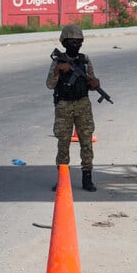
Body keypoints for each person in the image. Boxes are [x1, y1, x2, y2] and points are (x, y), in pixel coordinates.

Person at [46, 24, 100, 192]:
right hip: (64, 106)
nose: (75, 45)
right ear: (64, 42)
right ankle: (63, 178)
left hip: (83, 104)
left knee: (86, 142)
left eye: (78, 41)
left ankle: (87, 178)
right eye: (72, 41)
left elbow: (91, 81)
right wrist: (58, 70)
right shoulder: (58, 61)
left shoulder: (84, 60)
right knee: (63, 143)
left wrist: (95, 83)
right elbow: (49, 84)